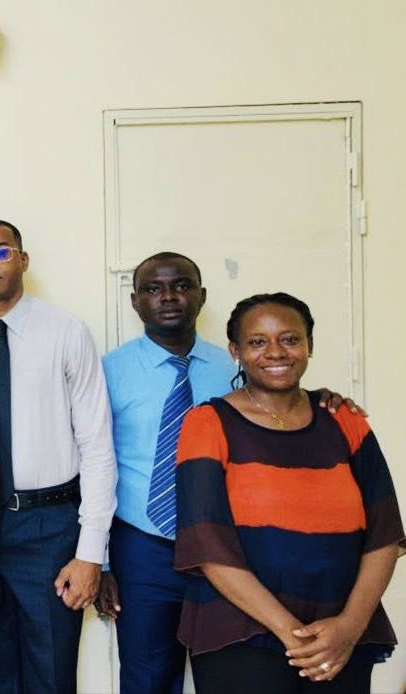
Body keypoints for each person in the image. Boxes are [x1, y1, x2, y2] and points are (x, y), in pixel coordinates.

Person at [96, 253, 361, 693]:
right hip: (145, 548)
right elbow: (94, 463)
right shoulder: (107, 371)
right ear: (135, 301)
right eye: (153, 289)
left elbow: (276, 403)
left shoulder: (232, 366)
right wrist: (101, 560)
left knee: (232, 668)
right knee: (147, 676)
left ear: (202, 296)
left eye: (182, 286)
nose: (168, 297)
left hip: (229, 551)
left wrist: (319, 398)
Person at [174, 292, 403, 692]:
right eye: (257, 342)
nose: (275, 352)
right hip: (242, 631)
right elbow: (207, 544)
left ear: (309, 345)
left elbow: (384, 532)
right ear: (236, 351)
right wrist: (293, 634)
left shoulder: (344, 419)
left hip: (341, 629)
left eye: (290, 339)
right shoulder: (207, 423)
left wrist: (349, 626)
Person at [0, 219, 116, 693]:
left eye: (0, 252)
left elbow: (97, 445)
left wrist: (91, 554)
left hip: (49, 527)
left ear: (23, 260)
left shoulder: (66, 332)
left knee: (50, 673)